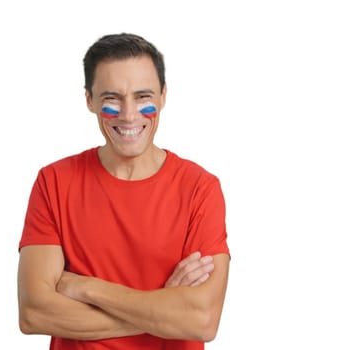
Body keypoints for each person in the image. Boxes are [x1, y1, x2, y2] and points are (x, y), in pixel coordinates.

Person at [17, 33, 231, 350]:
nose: (128, 115)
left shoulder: (200, 188)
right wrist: (164, 308)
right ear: (89, 99)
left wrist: (88, 289)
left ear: (163, 96)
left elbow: (202, 320)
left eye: (143, 97)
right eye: (111, 98)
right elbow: (34, 313)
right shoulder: (54, 182)